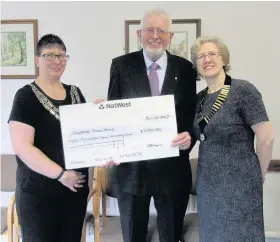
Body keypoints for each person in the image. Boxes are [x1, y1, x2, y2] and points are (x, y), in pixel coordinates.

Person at [107, 8, 197, 242]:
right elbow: (114, 113)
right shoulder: (121, 66)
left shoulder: (185, 68)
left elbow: (190, 114)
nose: (155, 36)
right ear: (139, 33)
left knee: (170, 236)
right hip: (132, 170)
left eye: (161, 31)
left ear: (170, 36)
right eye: (149, 30)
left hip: (172, 170)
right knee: (133, 236)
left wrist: (190, 135)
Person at [191, 36, 274, 242]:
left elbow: (266, 137)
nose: (206, 59)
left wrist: (260, 172)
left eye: (212, 54)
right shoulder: (199, 99)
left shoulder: (242, 90)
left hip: (239, 183)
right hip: (208, 184)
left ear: (223, 59)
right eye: (201, 56)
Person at [8, 34, 89, 242]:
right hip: (38, 195)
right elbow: (22, 147)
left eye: (62, 56)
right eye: (50, 55)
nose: (57, 61)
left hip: (74, 191)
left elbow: (90, 135)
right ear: (37, 60)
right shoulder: (25, 96)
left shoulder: (76, 93)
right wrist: (61, 174)